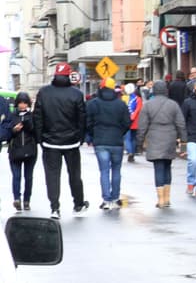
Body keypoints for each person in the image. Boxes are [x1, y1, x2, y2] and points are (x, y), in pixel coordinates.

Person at [34, 63, 88, 220]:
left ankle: (55, 208)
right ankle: (78, 204)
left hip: (50, 142)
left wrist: (40, 138)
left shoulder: (44, 93)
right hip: (71, 142)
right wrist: (80, 137)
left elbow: (38, 117)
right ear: (68, 75)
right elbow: (82, 118)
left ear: (55, 75)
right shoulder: (76, 94)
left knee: (52, 176)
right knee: (75, 175)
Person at [136, 80, 186, 208]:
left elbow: (142, 126)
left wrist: (139, 142)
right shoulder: (173, 105)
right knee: (167, 166)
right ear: (166, 90)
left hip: (154, 137)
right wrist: (183, 141)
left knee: (158, 167)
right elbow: (181, 124)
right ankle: (167, 198)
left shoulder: (148, 105)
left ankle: (161, 199)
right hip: (170, 137)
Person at [86, 78, 132, 210]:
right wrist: (120, 133)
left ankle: (106, 200)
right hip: (116, 141)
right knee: (116, 170)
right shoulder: (121, 104)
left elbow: (88, 123)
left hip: (100, 141)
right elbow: (127, 123)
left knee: (104, 171)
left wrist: (93, 135)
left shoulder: (93, 103)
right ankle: (115, 198)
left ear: (100, 88)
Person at [3, 93, 37, 210]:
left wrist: (28, 123)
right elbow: (6, 133)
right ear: (17, 103)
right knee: (16, 176)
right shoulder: (12, 115)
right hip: (15, 150)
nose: (22, 105)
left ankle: (27, 200)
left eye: (25, 103)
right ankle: (17, 199)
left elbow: (36, 131)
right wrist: (13, 130)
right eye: (20, 103)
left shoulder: (32, 115)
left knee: (28, 177)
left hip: (30, 150)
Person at [124, 83, 141, 162]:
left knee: (127, 138)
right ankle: (132, 153)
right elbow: (138, 110)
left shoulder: (124, 98)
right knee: (133, 138)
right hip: (136, 121)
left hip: (126, 120)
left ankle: (130, 152)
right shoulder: (138, 99)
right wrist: (133, 117)